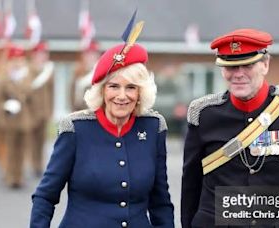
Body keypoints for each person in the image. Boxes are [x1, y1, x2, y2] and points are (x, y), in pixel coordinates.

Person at [181, 28, 279, 227]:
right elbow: (190, 187)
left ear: (265, 64)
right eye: (230, 66)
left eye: (247, 65)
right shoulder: (203, 114)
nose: (238, 74)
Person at [30, 43, 174, 227]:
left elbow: (160, 202)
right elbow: (45, 196)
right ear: (102, 90)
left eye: (130, 87)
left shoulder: (154, 127)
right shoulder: (75, 128)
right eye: (114, 86)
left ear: (140, 93)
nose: (122, 96)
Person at [0, 43, 35, 188]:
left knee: (22, 149)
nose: (18, 62)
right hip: (10, 118)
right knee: (11, 149)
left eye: (20, 59)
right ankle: (10, 176)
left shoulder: (26, 75)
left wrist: (17, 88)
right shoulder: (4, 77)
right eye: (14, 59)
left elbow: (29, 93)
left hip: (24, 119)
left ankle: (19, 176)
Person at [27, 41, 55, 177]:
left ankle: (38, 165)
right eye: (40, 54)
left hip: (44, 112)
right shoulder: (29, 70)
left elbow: (51, 93)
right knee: (30, 141)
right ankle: (31, 164)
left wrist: (50, 110)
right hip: (31, 112)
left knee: (41, 141)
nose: (43, 56)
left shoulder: (48, 71)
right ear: (34, 55)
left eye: (45, 54)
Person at [70, 40, 100, 111]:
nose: (90, 57)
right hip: (80, 112)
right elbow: (72, 97)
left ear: (97, 55)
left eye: (93, 54)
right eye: (88, 54)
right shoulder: (77, 73)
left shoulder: (101, 73)